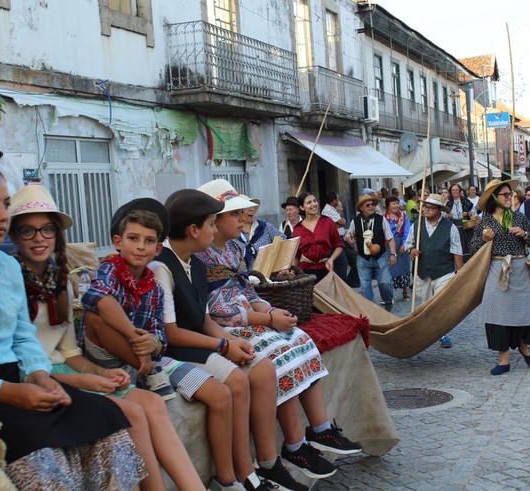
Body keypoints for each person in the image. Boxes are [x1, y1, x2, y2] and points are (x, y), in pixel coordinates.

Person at [7, 184, 206, 491]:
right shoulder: (8, 283)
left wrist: (101, 373)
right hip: (35, 378)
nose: (39, 239)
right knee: (132, 412)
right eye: (28, 231)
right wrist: (89, 379)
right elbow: (18, 364)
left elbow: (69, 352)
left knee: (151, 404)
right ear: (14, 236)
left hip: (71, 368)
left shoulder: (60, 279)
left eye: (47, 230)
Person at [0, 160, 145, 490]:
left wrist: (38, 375)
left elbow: (22, 335)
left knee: (109, 420)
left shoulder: (5, 266)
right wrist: (13, 393)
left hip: (22, 379)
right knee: (41, 455)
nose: (2, 216)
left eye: (4, 204)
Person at [195, 179, 362, 482]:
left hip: (251, 316)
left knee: (301, 339)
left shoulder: (233, 247)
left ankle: (321, 429)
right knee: (278, 353)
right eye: (235, 214)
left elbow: (248, 289)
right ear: (214, 220)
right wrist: (268, 321)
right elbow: (219, 311)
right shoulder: (202, 256)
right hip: (228, 327)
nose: (243, 217)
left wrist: (271, 311)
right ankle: (294, 445)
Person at [80, 201, 252, 490]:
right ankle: (142, 369)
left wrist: (151, 342)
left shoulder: (153, 280)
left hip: (150, 359)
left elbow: (161, 338)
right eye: (133, 239)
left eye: (149, 241)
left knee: (220, 393)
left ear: (157, 249)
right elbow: (96, 299)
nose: (140, 247)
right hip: (111, 357)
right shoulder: (110, 267)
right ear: (118, 242)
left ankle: (226, 479)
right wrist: (137, 338)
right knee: (97, 314)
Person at [150, 189, 301, 491]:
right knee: (230, 384)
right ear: (193, 230)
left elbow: (205, 320)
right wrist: (222, 345)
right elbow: (171, 333)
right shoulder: (161, 268)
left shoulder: (196, 264)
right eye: (211, 224)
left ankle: (250, 470)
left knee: (244, 374)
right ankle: (230, 478)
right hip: (173, 350)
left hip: (196, 343)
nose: (215, 229)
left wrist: (231, 344)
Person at [469, 179, 530, 375]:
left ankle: (523, 346)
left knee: (523, 313)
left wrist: (524, 234)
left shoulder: (518, 218)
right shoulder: (485, 221)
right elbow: (473, 249)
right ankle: (504, 359)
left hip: (519, 269)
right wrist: (484, 240)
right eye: (505, 195)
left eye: (511, 194)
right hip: (496, 268)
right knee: (497, 314)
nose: (510, 197)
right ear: (495, 198)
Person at [404, 193, 464, 348]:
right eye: (425, 207)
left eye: (431, 208)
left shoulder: (450, 227)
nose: (426, 210)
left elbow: (457, 251)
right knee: (425, 305)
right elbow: (407, 245)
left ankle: (443, 334)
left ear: (439, 210)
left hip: (444, 271)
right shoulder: (416, 225)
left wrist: (461, 273)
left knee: (440, 304)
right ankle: (426, 332)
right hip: (423, 272)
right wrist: (412, 251)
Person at [345, 194, 397, 311]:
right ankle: (372, 310)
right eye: (367, 205)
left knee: (385, 282)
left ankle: (388, 301)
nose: (371, 207)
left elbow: (390, 238)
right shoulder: (355, 221)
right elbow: (349, 234)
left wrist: (393, 254)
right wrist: (349, 238)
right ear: (361, 208)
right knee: (365, 287)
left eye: (372, 204)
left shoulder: (381, 219)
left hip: (381, 256)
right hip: (363, 258)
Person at [293, 192, 344, 283]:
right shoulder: (297, 229)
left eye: (314, 201)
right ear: (301, 207)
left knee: (326, 296)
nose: (313, 204)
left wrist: (331, 259)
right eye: (309, 202)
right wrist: (293, 273)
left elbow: (339, 245)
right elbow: (296, 255)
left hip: (326, 268)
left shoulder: (327, 222)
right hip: (305, 272)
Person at [236, 195, 285, 270]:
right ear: (239, 211)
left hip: (269, 275)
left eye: (252, 206)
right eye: (248, 207)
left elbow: (284, 243)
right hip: (245, 278)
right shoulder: (233, 233)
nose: (252, 209)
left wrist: (279, 264)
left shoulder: (265, 227)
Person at [384, 195, 412, 301]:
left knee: (404, 266)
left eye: (397, 203)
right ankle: (390, 293)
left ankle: (405, 291)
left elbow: (407, 230)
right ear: (388, 206)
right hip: (387, 245)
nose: (396, 205)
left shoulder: (404, 216)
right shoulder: (383, 218)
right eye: (393, 204)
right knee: (390, 268)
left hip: (401, 243)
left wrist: (405, 244)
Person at [321, 191, 349, 282]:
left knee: (341, 262)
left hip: (339, 238)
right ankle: (341, 284)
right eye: (337, 198)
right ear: (334, 200)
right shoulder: (328, 210)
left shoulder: (332, 210)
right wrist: (340, 223)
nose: (338, 200)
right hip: (334, 240)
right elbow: (342, 222)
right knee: (342, 262)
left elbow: (339, 223)